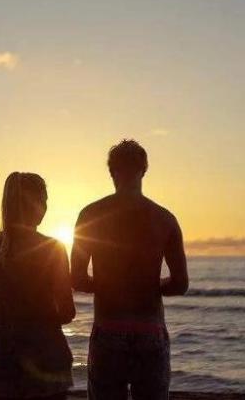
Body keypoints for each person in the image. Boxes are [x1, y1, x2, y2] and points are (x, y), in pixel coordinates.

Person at [71, 139, 188, 400]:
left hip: (108, 328)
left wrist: (108, 286)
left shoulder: (91, 215)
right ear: (144, 170)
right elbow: (181, 283)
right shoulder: (165, 219)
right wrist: (150, 286)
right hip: (150, 330)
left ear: (112, 171)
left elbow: (76, 278)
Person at [0, 172, 75, 400]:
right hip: (47, 359)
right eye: (44, 200)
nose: (46, 207)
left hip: (3, 360)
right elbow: (68, 312)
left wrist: (6, 326)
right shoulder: (52, 248)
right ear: (36, 205)